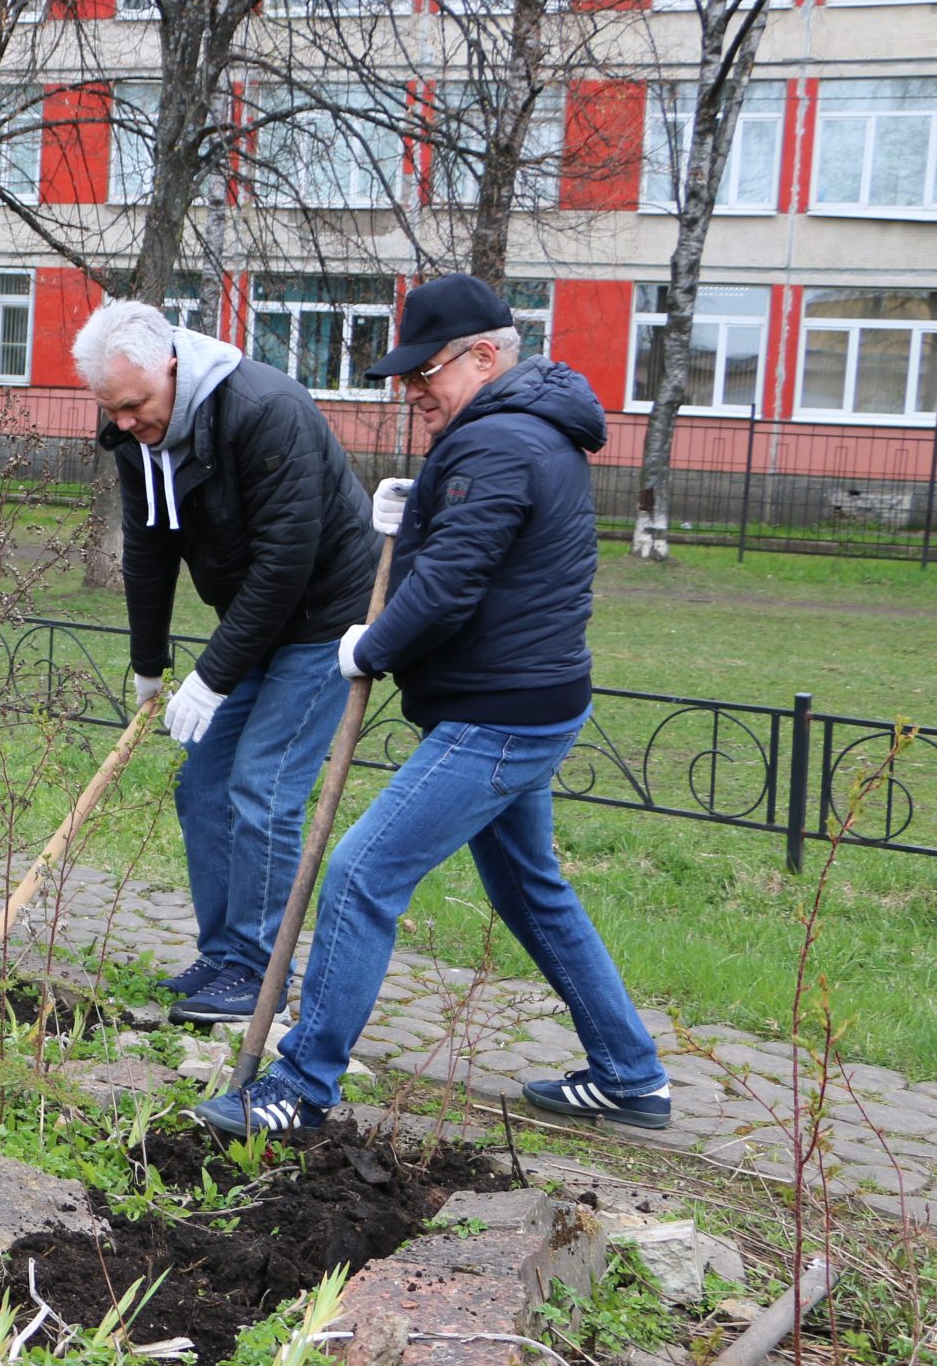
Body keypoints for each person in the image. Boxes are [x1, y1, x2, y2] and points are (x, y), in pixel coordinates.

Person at [196, 274, 671, 1136]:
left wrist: (367, 646)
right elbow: (482, 543)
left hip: (501, 713)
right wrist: (423, 512)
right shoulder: (521, 434)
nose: (414, 392)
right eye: (407, 378)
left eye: (427, 374)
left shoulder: (497, 444)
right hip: (528, 697)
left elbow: (452, 584)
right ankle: (630, 1072)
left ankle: (299, 1088)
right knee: (531, 889)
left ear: (485, 355)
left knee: (360, 874)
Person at [75, 299, 379, 1025]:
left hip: (326, 619)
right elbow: (147, 550)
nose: (124, 422)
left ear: (171, 367)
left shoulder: (265, 410)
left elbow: (286, 563)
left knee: (263, 785)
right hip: (254, 618)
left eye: (135, 405)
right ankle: (223, 955)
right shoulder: (136, 436)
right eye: (111, 409)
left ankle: (257, 969)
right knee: (203, 778)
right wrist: (150, 665)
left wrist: (212, 675)